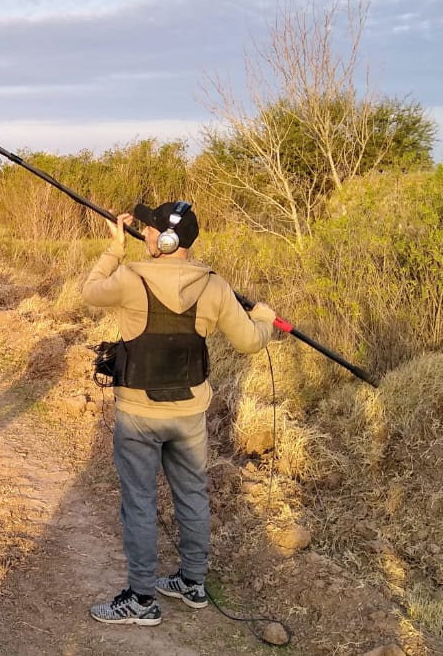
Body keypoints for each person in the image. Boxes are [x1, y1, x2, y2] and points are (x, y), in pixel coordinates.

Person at [82, 201, 276, 626]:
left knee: (139, 502)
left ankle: (141, 599)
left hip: (138, 414)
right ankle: (192, 583)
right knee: (192, 495)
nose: (145, 234)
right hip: (190, 413)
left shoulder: (131, 276)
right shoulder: (214, 285)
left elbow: (90, 291)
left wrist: (114, 248)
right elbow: (248, 340)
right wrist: (263, 319)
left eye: (150, 229)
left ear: (166, 239)